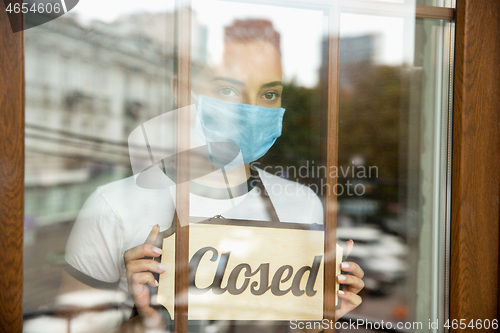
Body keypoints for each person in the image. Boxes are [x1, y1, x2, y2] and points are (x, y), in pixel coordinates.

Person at [61, 18, 364, 332]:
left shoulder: (302, 206)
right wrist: (145, 324)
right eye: (229, 89)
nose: (252, 109)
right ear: (182, 91)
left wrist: (323, 318)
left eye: (269, 94)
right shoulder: (114, 206)